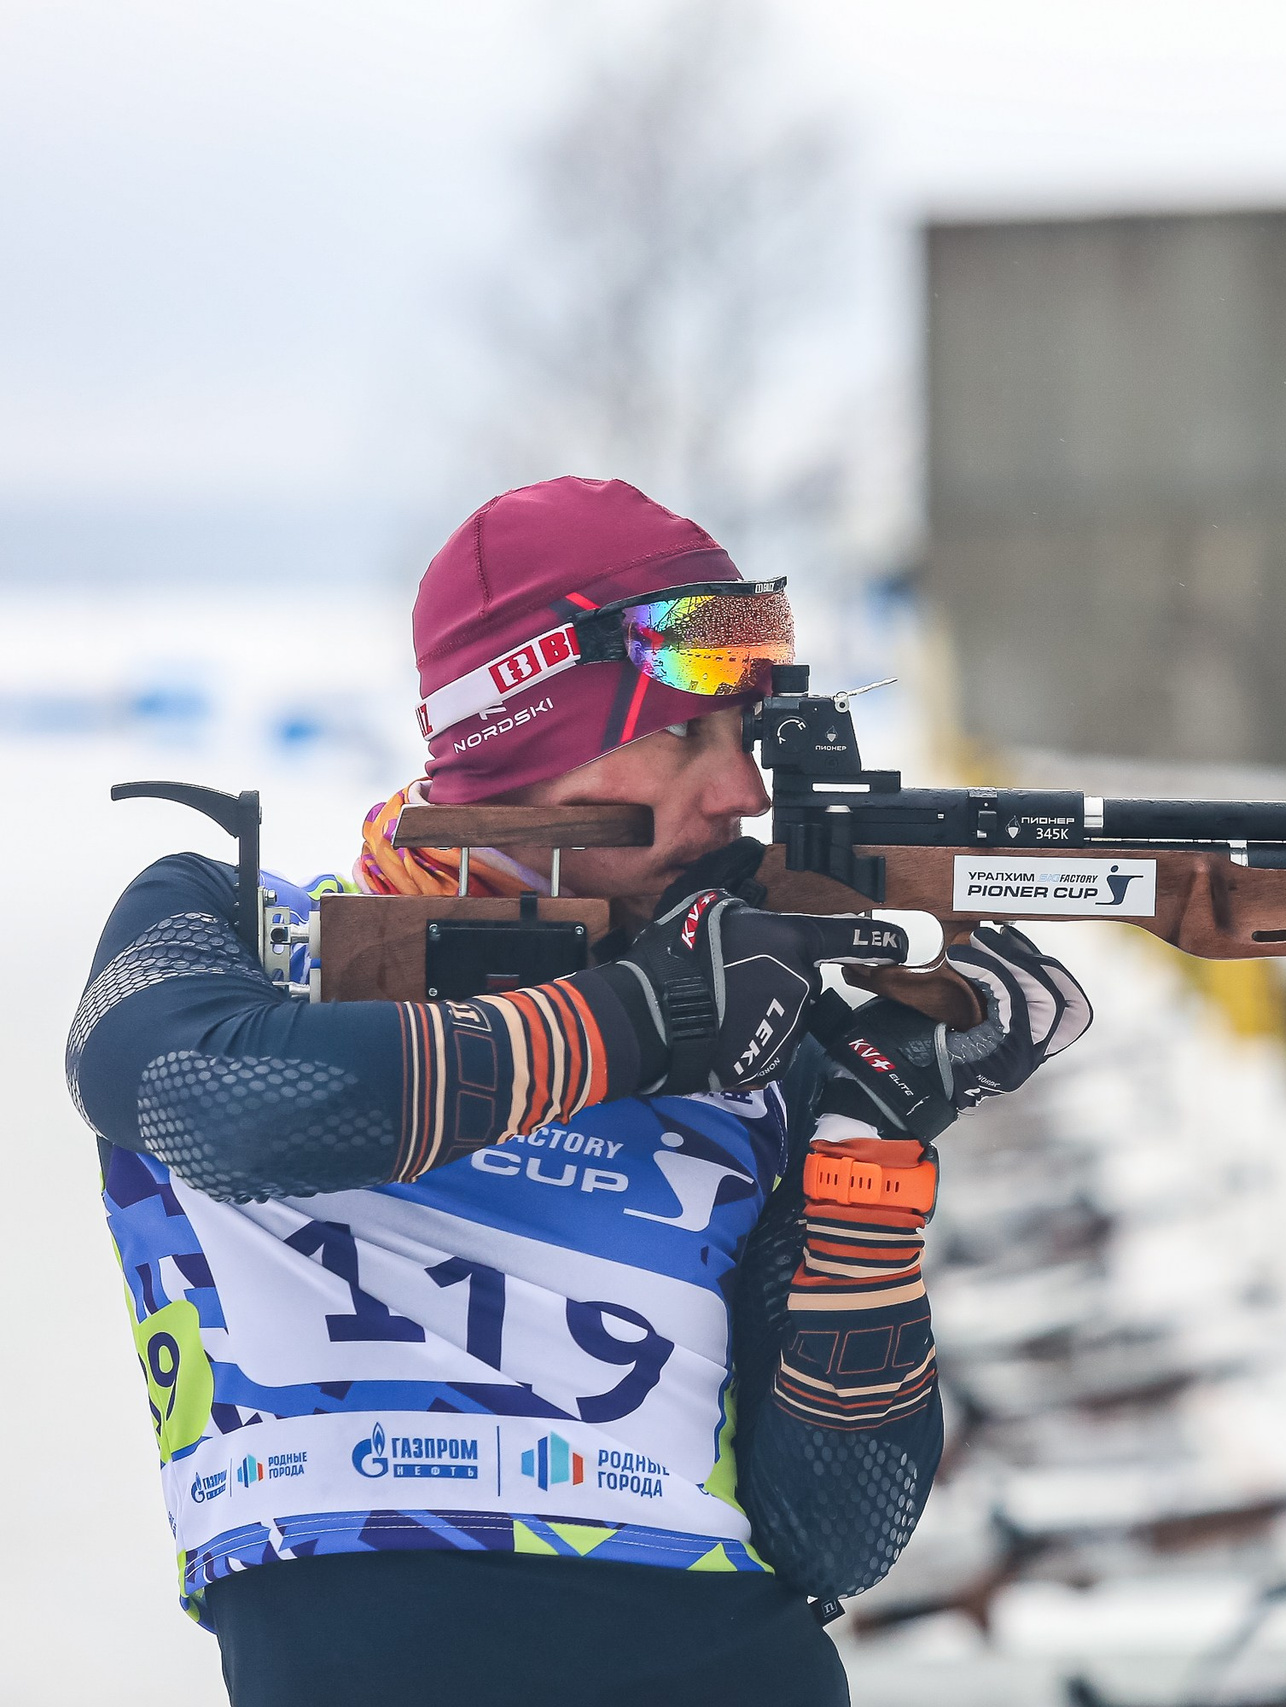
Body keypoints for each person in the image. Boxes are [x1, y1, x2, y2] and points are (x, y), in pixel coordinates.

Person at [67, 477, 1090, 1706]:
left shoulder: (760, 1041)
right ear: (518, 729)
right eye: (682, 733)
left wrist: (867, 1147)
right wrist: (644, 1018)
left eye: (745, 741)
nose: (741, 795)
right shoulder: (235, 931)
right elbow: (218, 1098)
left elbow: (833, 1535)